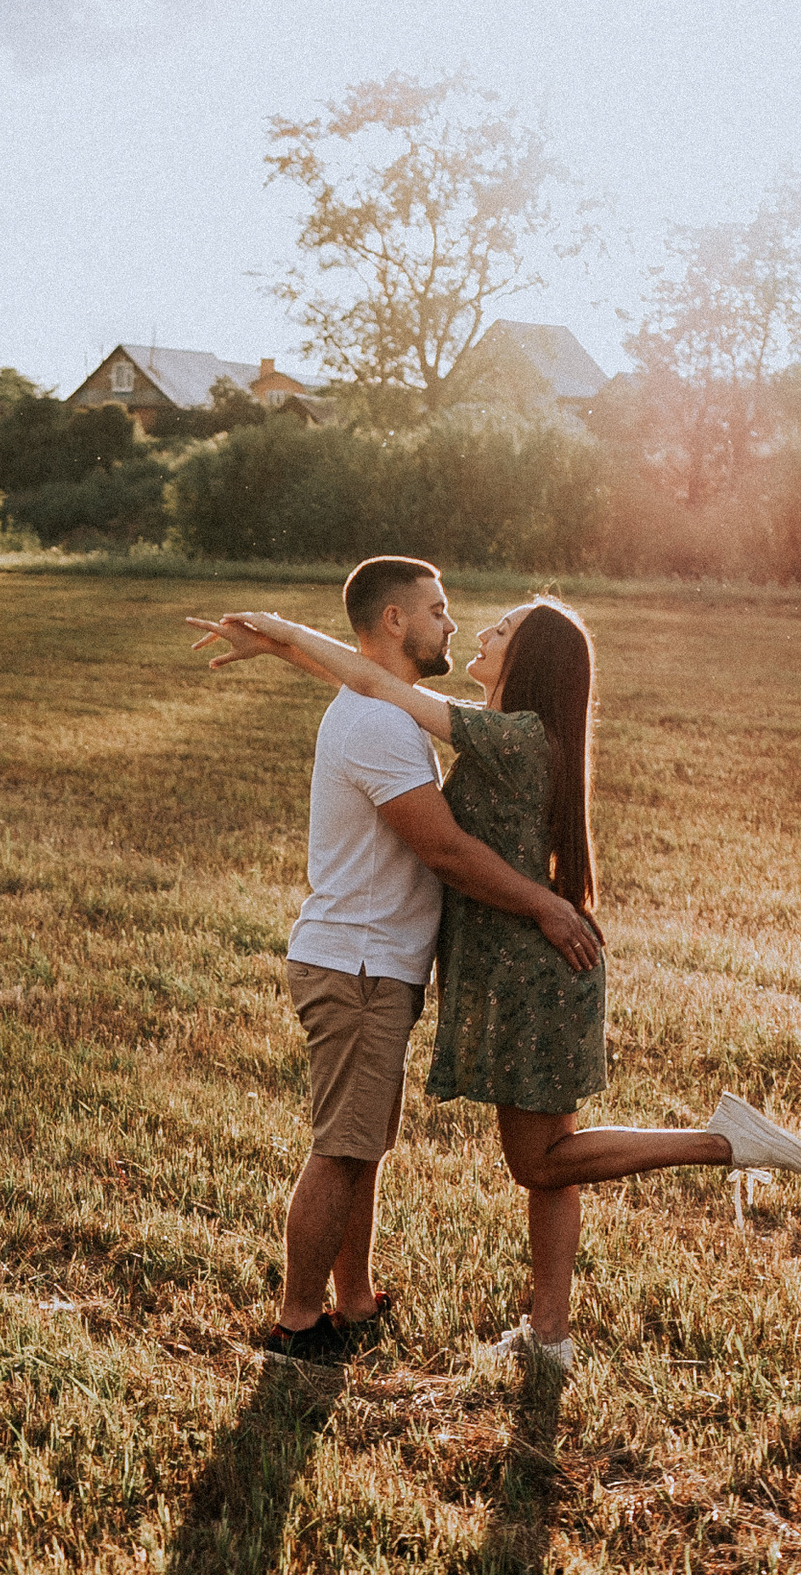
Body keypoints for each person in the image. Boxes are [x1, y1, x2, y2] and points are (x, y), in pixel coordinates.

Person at [195, 579, 801, 1379]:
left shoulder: (514, 736)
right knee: (551, 1158)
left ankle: (723, 1140)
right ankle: (548, 1336)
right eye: (461, 617)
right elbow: (373, 685)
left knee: (542, 1162)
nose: (476, 632)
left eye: (500, 629)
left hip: (531, 970)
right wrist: (281, 644)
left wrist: (282, 631)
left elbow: (379, 690)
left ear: (530, 661)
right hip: (530, 964)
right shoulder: (515, 733)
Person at [218, 554, 608, 1374]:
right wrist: (544, 904)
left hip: (375, 962)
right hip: (359, 962)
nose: (456, 624)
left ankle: (355, 1297)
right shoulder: (380, 722)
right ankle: (296, 1325)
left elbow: (367, 675)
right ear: (394, 621)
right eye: (438, 610)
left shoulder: (389, 709)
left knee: (362, 1143)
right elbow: (446, 850)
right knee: (343, 1147)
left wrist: (283, 641)